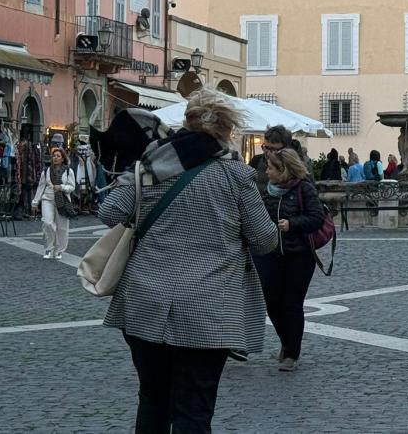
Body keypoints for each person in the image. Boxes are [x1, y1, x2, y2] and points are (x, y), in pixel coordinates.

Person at [99, 89, 279, 433]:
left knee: (152, 399)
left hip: (145, 301)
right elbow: (265, 240)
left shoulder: (151, 165)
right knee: (194, 409)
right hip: (206, 310)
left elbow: (110, 212)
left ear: (187, 122)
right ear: (227, 129)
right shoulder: (236, 175)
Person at [253, 147, 325, 372]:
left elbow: (317, 218)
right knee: (272, 302)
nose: (267, 171)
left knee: (292, 304)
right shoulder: (266, 191)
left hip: (299, 255)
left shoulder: (304, 188)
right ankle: (286, 342)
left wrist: (292, 224)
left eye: (271, 168)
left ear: (283, 169)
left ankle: (291, 354)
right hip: (270, 253)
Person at [32, 145, 76, 259]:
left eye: (58, 156)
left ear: (62, 158)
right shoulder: (46, 171)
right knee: (48, 223)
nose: (55, 158)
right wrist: (35, 202)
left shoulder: (68, 171)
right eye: (54, 156)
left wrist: (62, 187)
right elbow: (41, 187)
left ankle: (59, 250)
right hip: (48, 199)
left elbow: (72, 186)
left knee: (62, 228)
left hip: (63, 200)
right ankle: (49, 248)